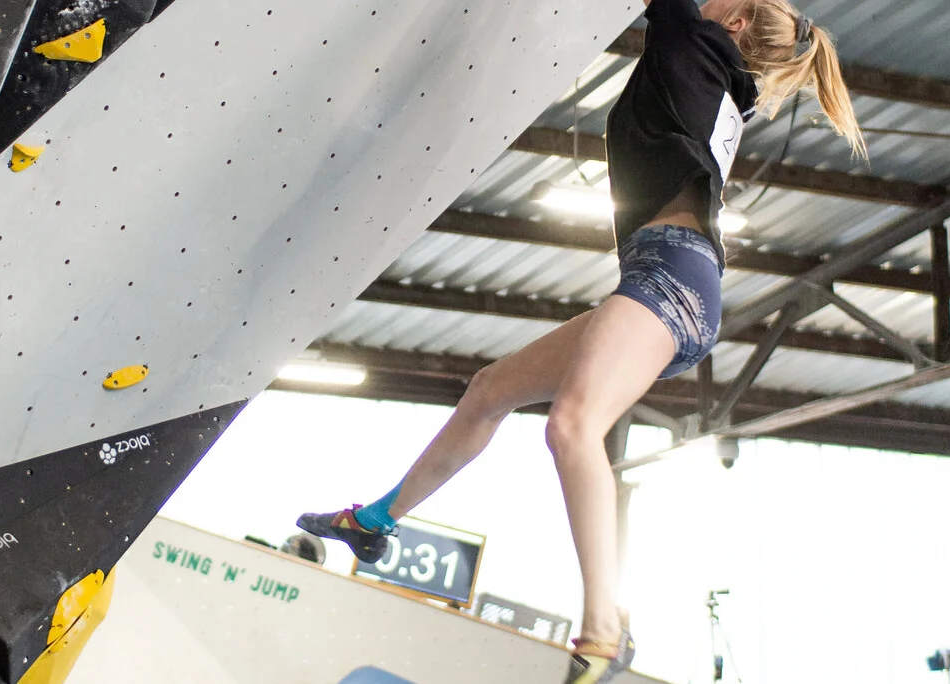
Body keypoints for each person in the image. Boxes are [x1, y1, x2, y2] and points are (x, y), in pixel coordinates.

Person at [299, 0, 865, 681]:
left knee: (571, 425)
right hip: (666, 278)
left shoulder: (694, 37)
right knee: (488, 392)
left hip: (673, 284)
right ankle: (376, 522)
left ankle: (604, 630)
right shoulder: (720, 81)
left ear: (737, 22)